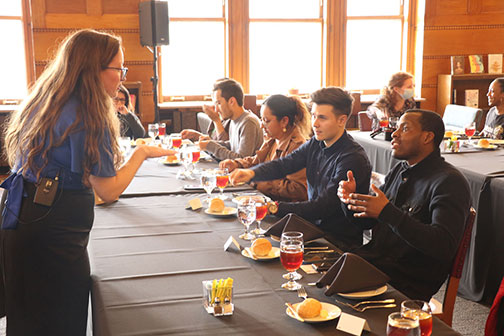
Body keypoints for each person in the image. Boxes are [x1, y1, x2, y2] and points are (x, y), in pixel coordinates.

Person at [0, 29, 174, 335]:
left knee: (27, 317)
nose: (121, 77)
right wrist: (142, 153)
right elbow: (107, 190)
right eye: (118, 69)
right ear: (94, 70)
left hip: (21, 216)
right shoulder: (89, 113)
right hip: (54, 229)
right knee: (63, 318)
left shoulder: (46, 99)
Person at [338, 109, 471, 301]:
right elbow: (366, 224)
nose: (394, 133)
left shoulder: (449, 182)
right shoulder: (401, 169)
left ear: (427, 137)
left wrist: (387, 212)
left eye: (405, 128)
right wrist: (350, 201)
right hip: (375, 263)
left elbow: (443, 245)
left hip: (406, 282)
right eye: (397, 127)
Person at [230, 87, 372, 250]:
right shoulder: (316, 143)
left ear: (342, 120)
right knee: (252, 242)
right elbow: (285, 164)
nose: (315, 123)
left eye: (322, 118)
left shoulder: (352, 158)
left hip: (337, 243)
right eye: (313, 116)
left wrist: (272, 207)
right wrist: (251, 173)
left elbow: (322, 207)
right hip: (312, 230)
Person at [220, 94, 310, 202]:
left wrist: (259, 180)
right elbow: (257, 162)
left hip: (281, 210)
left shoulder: (297, 146)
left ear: (284, 121)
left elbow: (299, 190)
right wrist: (237, 164)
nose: (262, 126)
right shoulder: (273, 138)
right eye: (261, 120)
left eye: (266, 121)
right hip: (263, 200)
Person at [183, 78, 263, 160]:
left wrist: (211, 146)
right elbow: (232, 145)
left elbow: (241, 160)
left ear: (232, 101)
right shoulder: (234, 119)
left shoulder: (248, 122)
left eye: (219, 103)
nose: (216, 110)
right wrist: (211, 143)